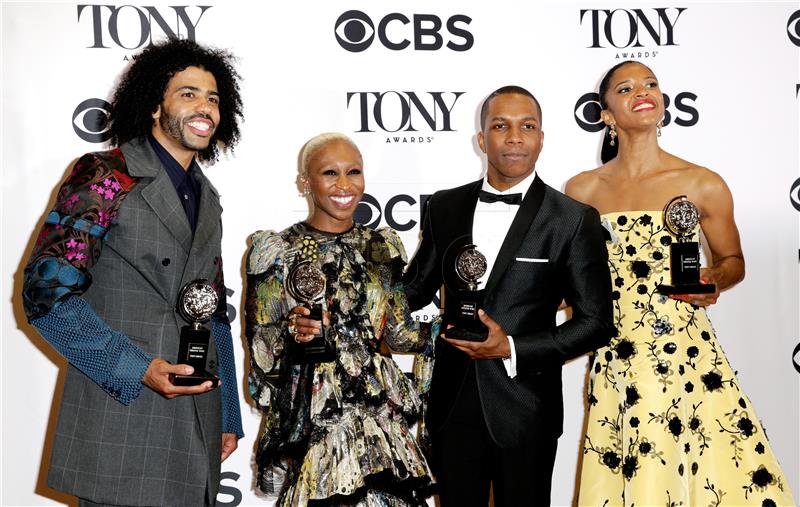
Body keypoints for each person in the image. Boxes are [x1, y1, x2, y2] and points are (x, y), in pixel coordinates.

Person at [21, 38, 244, 507]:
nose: (204, 106)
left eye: (213, 97)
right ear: (153, 107)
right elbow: (45, 295)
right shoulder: (106, 175)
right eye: (187, 93)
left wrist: (226, 414)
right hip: (123, 414)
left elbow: (211, 308)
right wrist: (137, 368)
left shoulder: (210, 197)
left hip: (195, 416)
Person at [566, 61, 795, 506]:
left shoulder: (702, 182)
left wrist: (715, 280)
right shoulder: (581, 191)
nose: (643, 91)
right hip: (618, 354)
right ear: (606, 113)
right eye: (627, 87)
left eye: (651, 83)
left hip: (687, 353)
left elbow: (733, 260)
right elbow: (570, 279)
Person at [402, 86, 615, 507]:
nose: (514, 137)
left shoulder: (572, 220)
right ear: (482, 139)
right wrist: (348, 309)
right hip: (451, 403)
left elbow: (596, 322)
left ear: (540, 138)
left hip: (526, 408)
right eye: (500, 126)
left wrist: (512, 347)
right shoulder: (445, 206)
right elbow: (415, 289)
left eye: (527, 126)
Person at [245, 132, 437, 506]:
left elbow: (396, 332)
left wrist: (451, 324)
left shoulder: (380, 245)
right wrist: (293, 333)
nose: (344, 185)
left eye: (354, 172)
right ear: (305, 182)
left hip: (376, 411)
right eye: (330, 173)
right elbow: (261, 362)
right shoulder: (277, 252)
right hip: (318, 415)